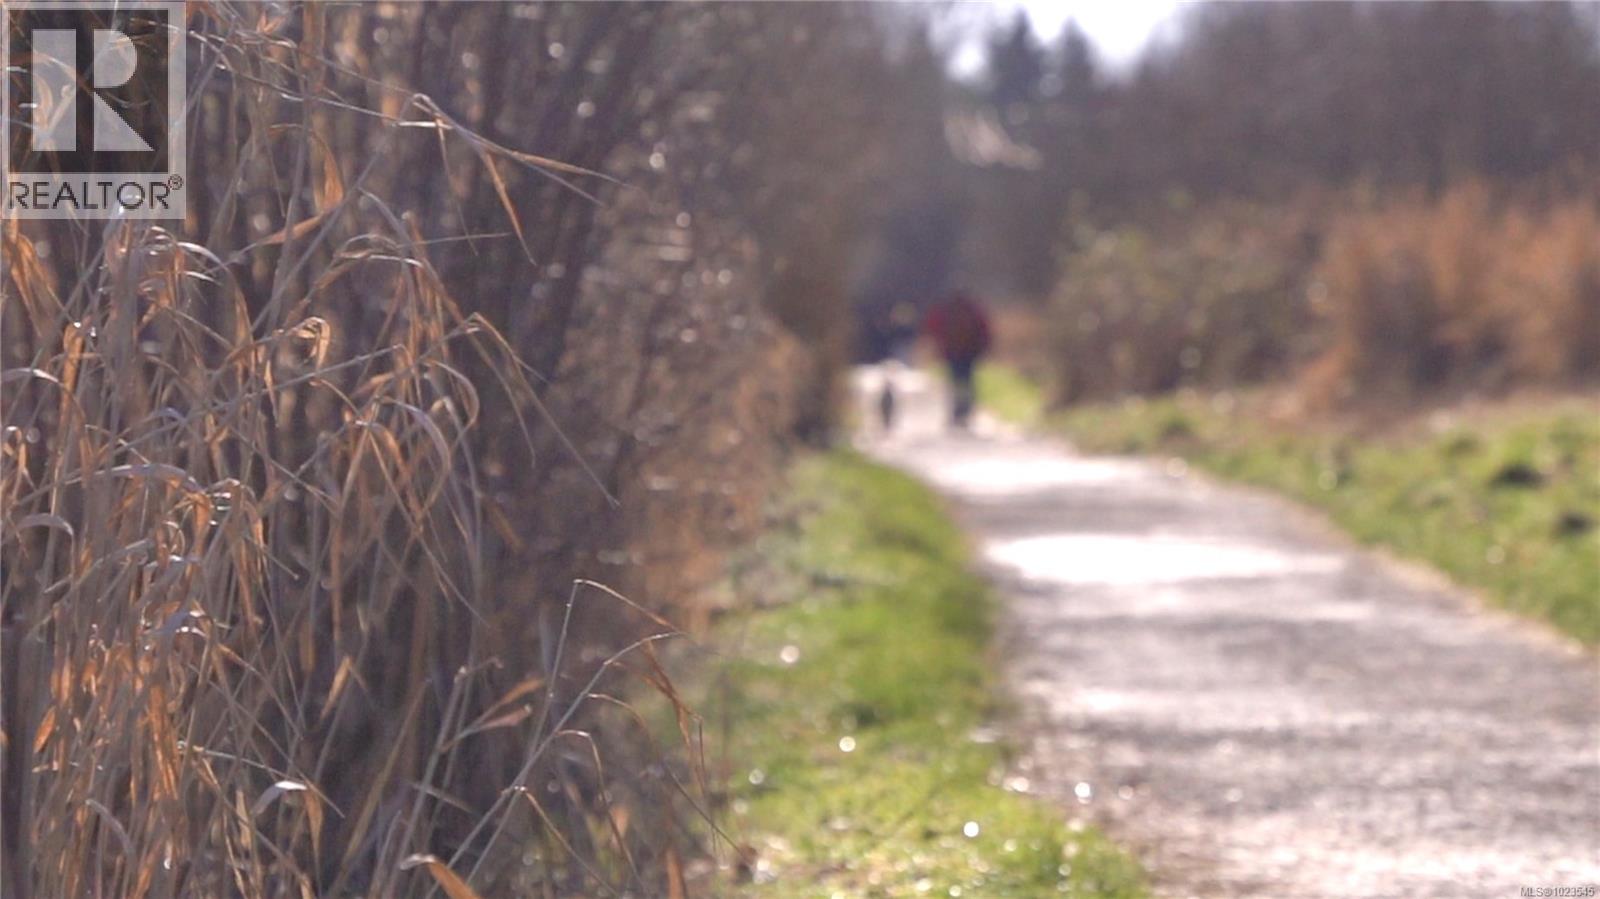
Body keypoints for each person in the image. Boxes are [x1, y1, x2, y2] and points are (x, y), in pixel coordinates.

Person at [923, 290, 992, 429]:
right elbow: (984, 329)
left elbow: (932, 326)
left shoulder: (946, 310)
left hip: (952, 351)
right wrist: (983, 347)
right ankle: (966, 410)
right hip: (970, 351)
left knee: (955, 381)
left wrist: (938, 345)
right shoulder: (972, 309)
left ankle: (957, 411)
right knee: (967, 381)